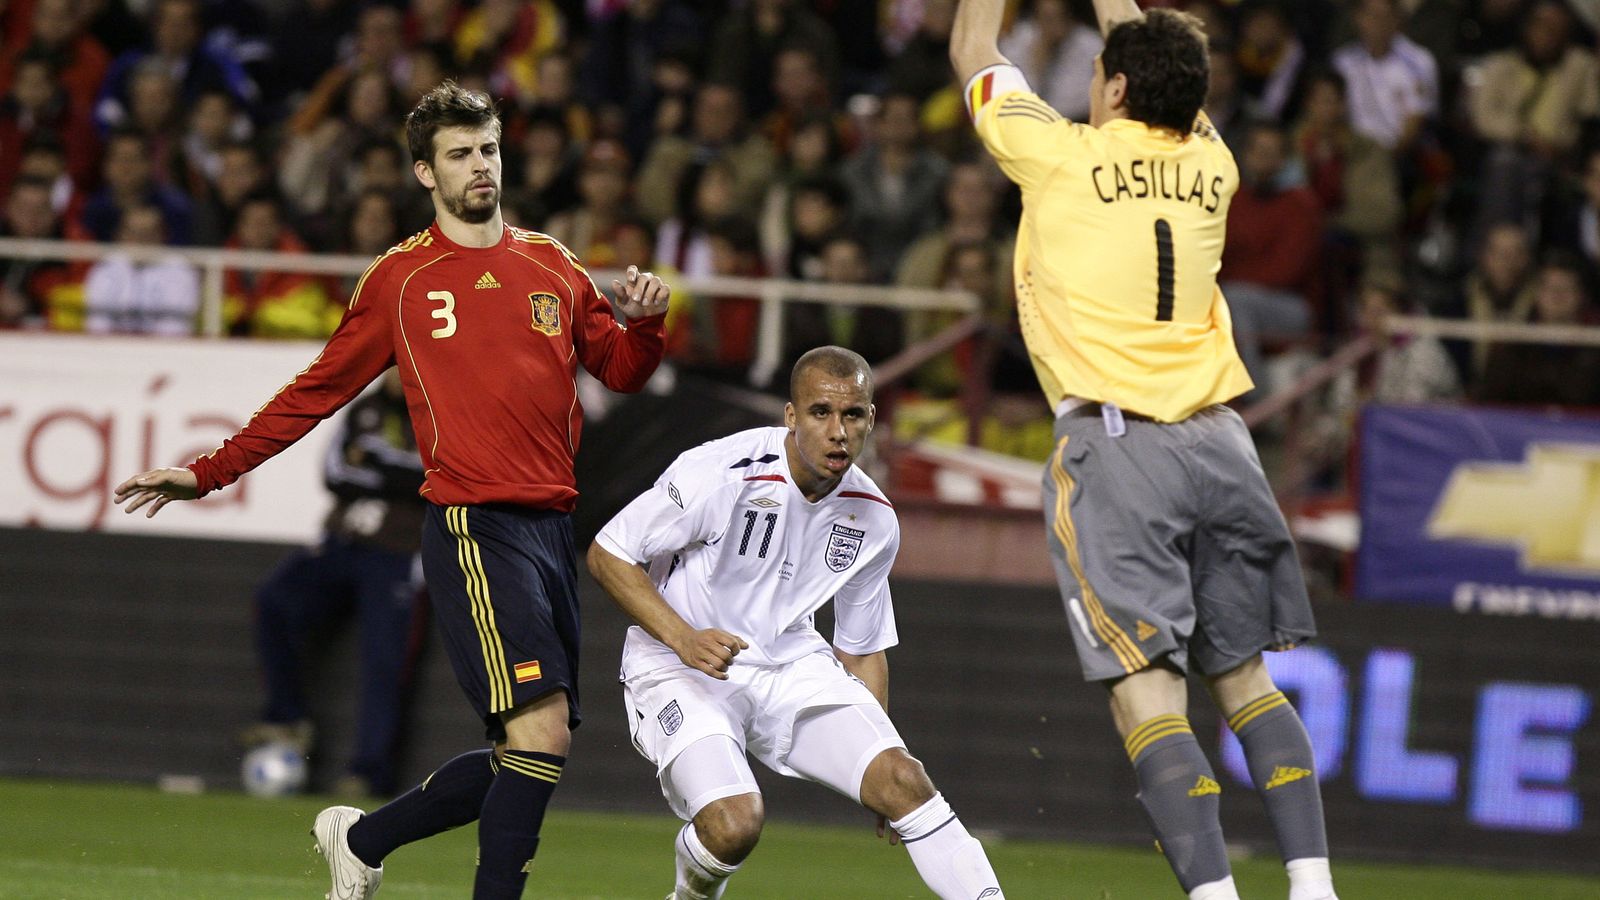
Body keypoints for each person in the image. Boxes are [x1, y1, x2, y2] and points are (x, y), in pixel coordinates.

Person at [113, 81, 671, 900]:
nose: (479, 167)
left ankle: (362, 840)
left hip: (555, 530)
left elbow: (620, 368)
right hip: (474, 526)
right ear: (423, 173)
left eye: (487, 149)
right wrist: (208, 471)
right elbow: (316, 390)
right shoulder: (402, 281)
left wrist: (645, 324)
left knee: (531, 751)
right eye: (459, 155)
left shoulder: (552, 262)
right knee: (540, 733)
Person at [950, 4, 1337, 900]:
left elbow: (975, 48)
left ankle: (1212, 896)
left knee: (1147, 694)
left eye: (1098, 76)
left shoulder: (1059, 154)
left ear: (1116, 86)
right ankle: (1314, 888)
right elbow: (1169, 56)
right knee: (1245, 681)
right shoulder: (1214, 160)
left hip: (1119, 447)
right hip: (1222, 445)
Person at [586, 346, 1005, 900]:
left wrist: (879, 776)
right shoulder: (720, 472)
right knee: (734, 824)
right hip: (678, 668)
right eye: (820, 413)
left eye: (853, 415)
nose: (838, 432)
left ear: (871, 420)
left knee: (907, 782)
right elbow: (608, 553)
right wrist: (684, 638)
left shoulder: (873, 517)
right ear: (790, 416)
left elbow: (860, 648)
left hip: (789, 663)